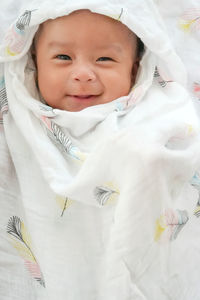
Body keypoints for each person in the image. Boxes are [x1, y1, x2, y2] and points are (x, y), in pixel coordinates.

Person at [0, 1, 200, 300]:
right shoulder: (17, 117)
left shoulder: (160, 112)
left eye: (105, 59)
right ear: (34, 61)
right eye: (63, 57)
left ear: (135, 69)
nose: (83, 74)